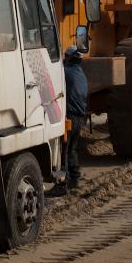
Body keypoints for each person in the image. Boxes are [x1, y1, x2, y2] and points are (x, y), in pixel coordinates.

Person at [51, 45, 88, 196]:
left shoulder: (65, 72)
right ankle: (75, 179)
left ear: (69, 58)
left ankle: (62, 185)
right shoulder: (80, 73)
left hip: (70, 118)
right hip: (80, 118)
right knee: (72, 149)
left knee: (64, 152)